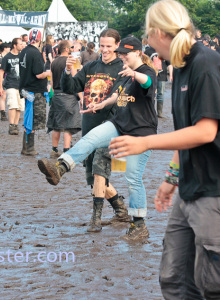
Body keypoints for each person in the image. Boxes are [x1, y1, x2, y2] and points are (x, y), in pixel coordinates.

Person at [108, 0, 220, 298]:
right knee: (174, 278)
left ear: (158, 32)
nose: (148, 44)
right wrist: (171, 178)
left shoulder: (205, 63)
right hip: (189, 186)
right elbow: (187, 132)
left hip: (213, 189)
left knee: (211, 283)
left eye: (147, 37)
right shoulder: (180, 67)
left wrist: (145, 142)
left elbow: (206, 131)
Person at [39, 33, 157, 239]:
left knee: (133, 179)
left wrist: (134, 74)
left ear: (138, 53)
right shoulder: (119, 71)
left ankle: (139, 225)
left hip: (140, 133)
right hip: (118, 124)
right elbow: (115, 96)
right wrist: (99, 104)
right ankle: (60, 167)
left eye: (125, 54)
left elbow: (147, 82)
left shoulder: (145, 71)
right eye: (121, 54)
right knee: (90, 138)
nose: (121, 57)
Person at [46, 40, 81, 158]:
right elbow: (74, 78)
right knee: (68, 125)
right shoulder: (72, 60)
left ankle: (54, 150)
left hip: (56, 95)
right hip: (68, 95)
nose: (72, 48)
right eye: (71, 47)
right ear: (66, 49)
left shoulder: (54, 62)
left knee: (56, 125)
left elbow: (51, 80)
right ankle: (66, 150)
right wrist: (81, 97)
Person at [19, 29, 51, 156]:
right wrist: (48, 73)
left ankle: (27, 147)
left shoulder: (24, 51)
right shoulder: (35, 53)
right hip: (35, 90)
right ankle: (29, 148)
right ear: (39, 39)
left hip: (25, 88)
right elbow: (38, 74)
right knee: (32, 119)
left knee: (29, 116)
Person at [0, 38, 24, 135]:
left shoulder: (23, 56)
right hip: (10, 84)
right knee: (12, 105)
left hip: (21, 86)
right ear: (15, 45)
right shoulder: (7, 57)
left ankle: (16, 125)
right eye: (20, 44)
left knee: (19, 106)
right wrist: (0, 86)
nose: (22, 46)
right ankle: (11, 125)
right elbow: (1, 72)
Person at [144, 46, 173, 117]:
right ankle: (150, 112)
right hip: (150, 76)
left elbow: (169, 64)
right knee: (150, 93)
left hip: (162, 76)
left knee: (160, 94)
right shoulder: (148, 51)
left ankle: (159, 113)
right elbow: (143, 63)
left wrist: (171, 75)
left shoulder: (164, 50)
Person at [0, 43, 10, 121]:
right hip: (2, 78)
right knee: (3, 96)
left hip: (9, 78)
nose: (9, 49)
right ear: (5, 48)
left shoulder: (8, 57)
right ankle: (3, 113)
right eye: (8, 47)